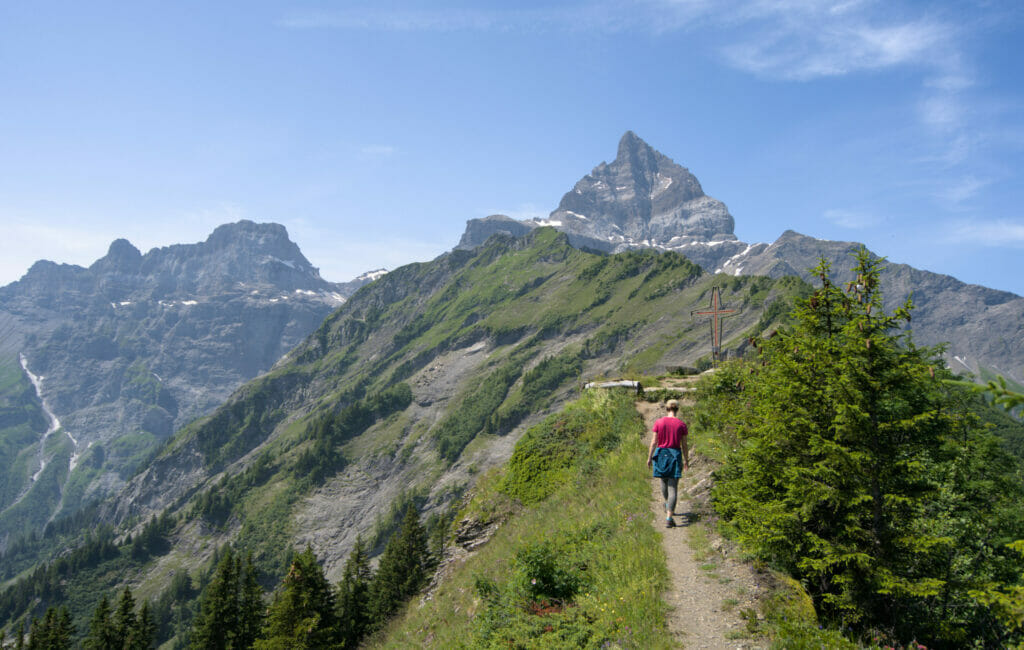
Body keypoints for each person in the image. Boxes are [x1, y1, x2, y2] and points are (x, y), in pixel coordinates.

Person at [647, 399, 689, 527]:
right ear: (677, 409)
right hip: (674, 455)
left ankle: (667, 505)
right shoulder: (681, 425)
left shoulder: (659, 422)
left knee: (663, 481)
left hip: (660, 454)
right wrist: (686, 460)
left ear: (666, 409)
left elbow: (654, 442)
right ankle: (669, 518)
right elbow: (684, 445)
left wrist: (649, 457)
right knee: (673, 487)